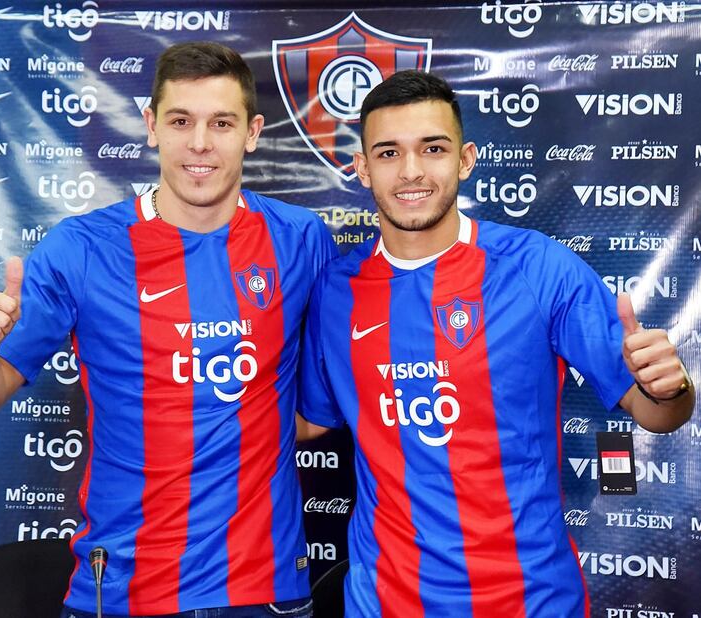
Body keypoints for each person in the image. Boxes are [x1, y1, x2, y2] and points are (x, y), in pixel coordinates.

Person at [0, 42, 336, 618]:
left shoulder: (301, 239)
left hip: (265, 591)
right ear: (151, 126)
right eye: (181, 121)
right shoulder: (81, 249)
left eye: (221, 123)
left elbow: (323, 405)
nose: (199, 144)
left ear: (251, 132)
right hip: (122, 591)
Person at [296, 70, 694, 617]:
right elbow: (310, 420)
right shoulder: (334, 291)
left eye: (432, 149)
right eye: (388, 153)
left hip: (528, 600)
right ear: (362, 168)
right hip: (382, 600)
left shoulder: (539, 268)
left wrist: (671, 389)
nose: (411, 172)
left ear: (464, 159)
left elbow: (657, 414)